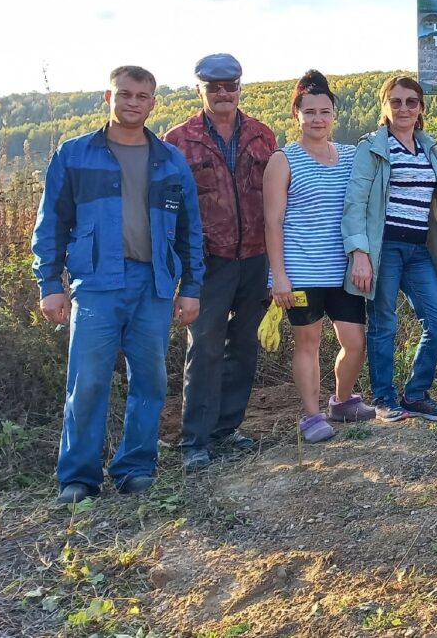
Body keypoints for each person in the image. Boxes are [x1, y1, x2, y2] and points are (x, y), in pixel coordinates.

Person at [33, 65, 204, 503]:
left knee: (150, 380)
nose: (133, 102)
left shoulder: (170, 160)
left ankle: (135, 467)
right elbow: (50, 224)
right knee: (87, 381)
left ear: (153, 103)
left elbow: (191, 230)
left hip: (154, 283)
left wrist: (191, 286)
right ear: (107, 98)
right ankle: (78, 477)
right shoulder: (75, 155)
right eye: (124, 94)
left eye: (142, 96)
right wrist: (49, 283)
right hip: (96, 284)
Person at [164, 53, 277, 471]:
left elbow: (277, 203)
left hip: (255, 258)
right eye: (215, 87)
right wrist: (178, 268)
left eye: (231, 85)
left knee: (243, 347)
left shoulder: (263, 136)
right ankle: (195, 439)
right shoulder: (178, 141)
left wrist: (274, 265)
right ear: (200, 89)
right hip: (207, 262)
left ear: (240, 88)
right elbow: (167, 211)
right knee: (205, 349)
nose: (224, 93)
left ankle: (227, 429)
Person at [342, 75, 437, 422]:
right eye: (395, 101)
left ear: (421, 108)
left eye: (411, 102)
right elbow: (355, 202)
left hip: (417, 251)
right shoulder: (374, 147)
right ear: (385, 107)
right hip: (384, 249)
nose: (403, 108)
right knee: (384, 324)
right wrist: (359, 253)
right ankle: (384, 398)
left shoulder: (428, 147)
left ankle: (415, 394)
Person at [264, 71, 373, 444]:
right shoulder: (283, 160)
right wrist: (278, 275)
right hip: (300, 271)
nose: (317, 119)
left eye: (324, 111)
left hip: (343, 270)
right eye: (309, 111)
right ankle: (311, 416)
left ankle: (341, 402)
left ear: (333, 115)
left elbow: (361, 207)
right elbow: (273, 221)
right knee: (307, 343)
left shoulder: (348, 157)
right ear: (296, 114)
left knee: (355, 342)